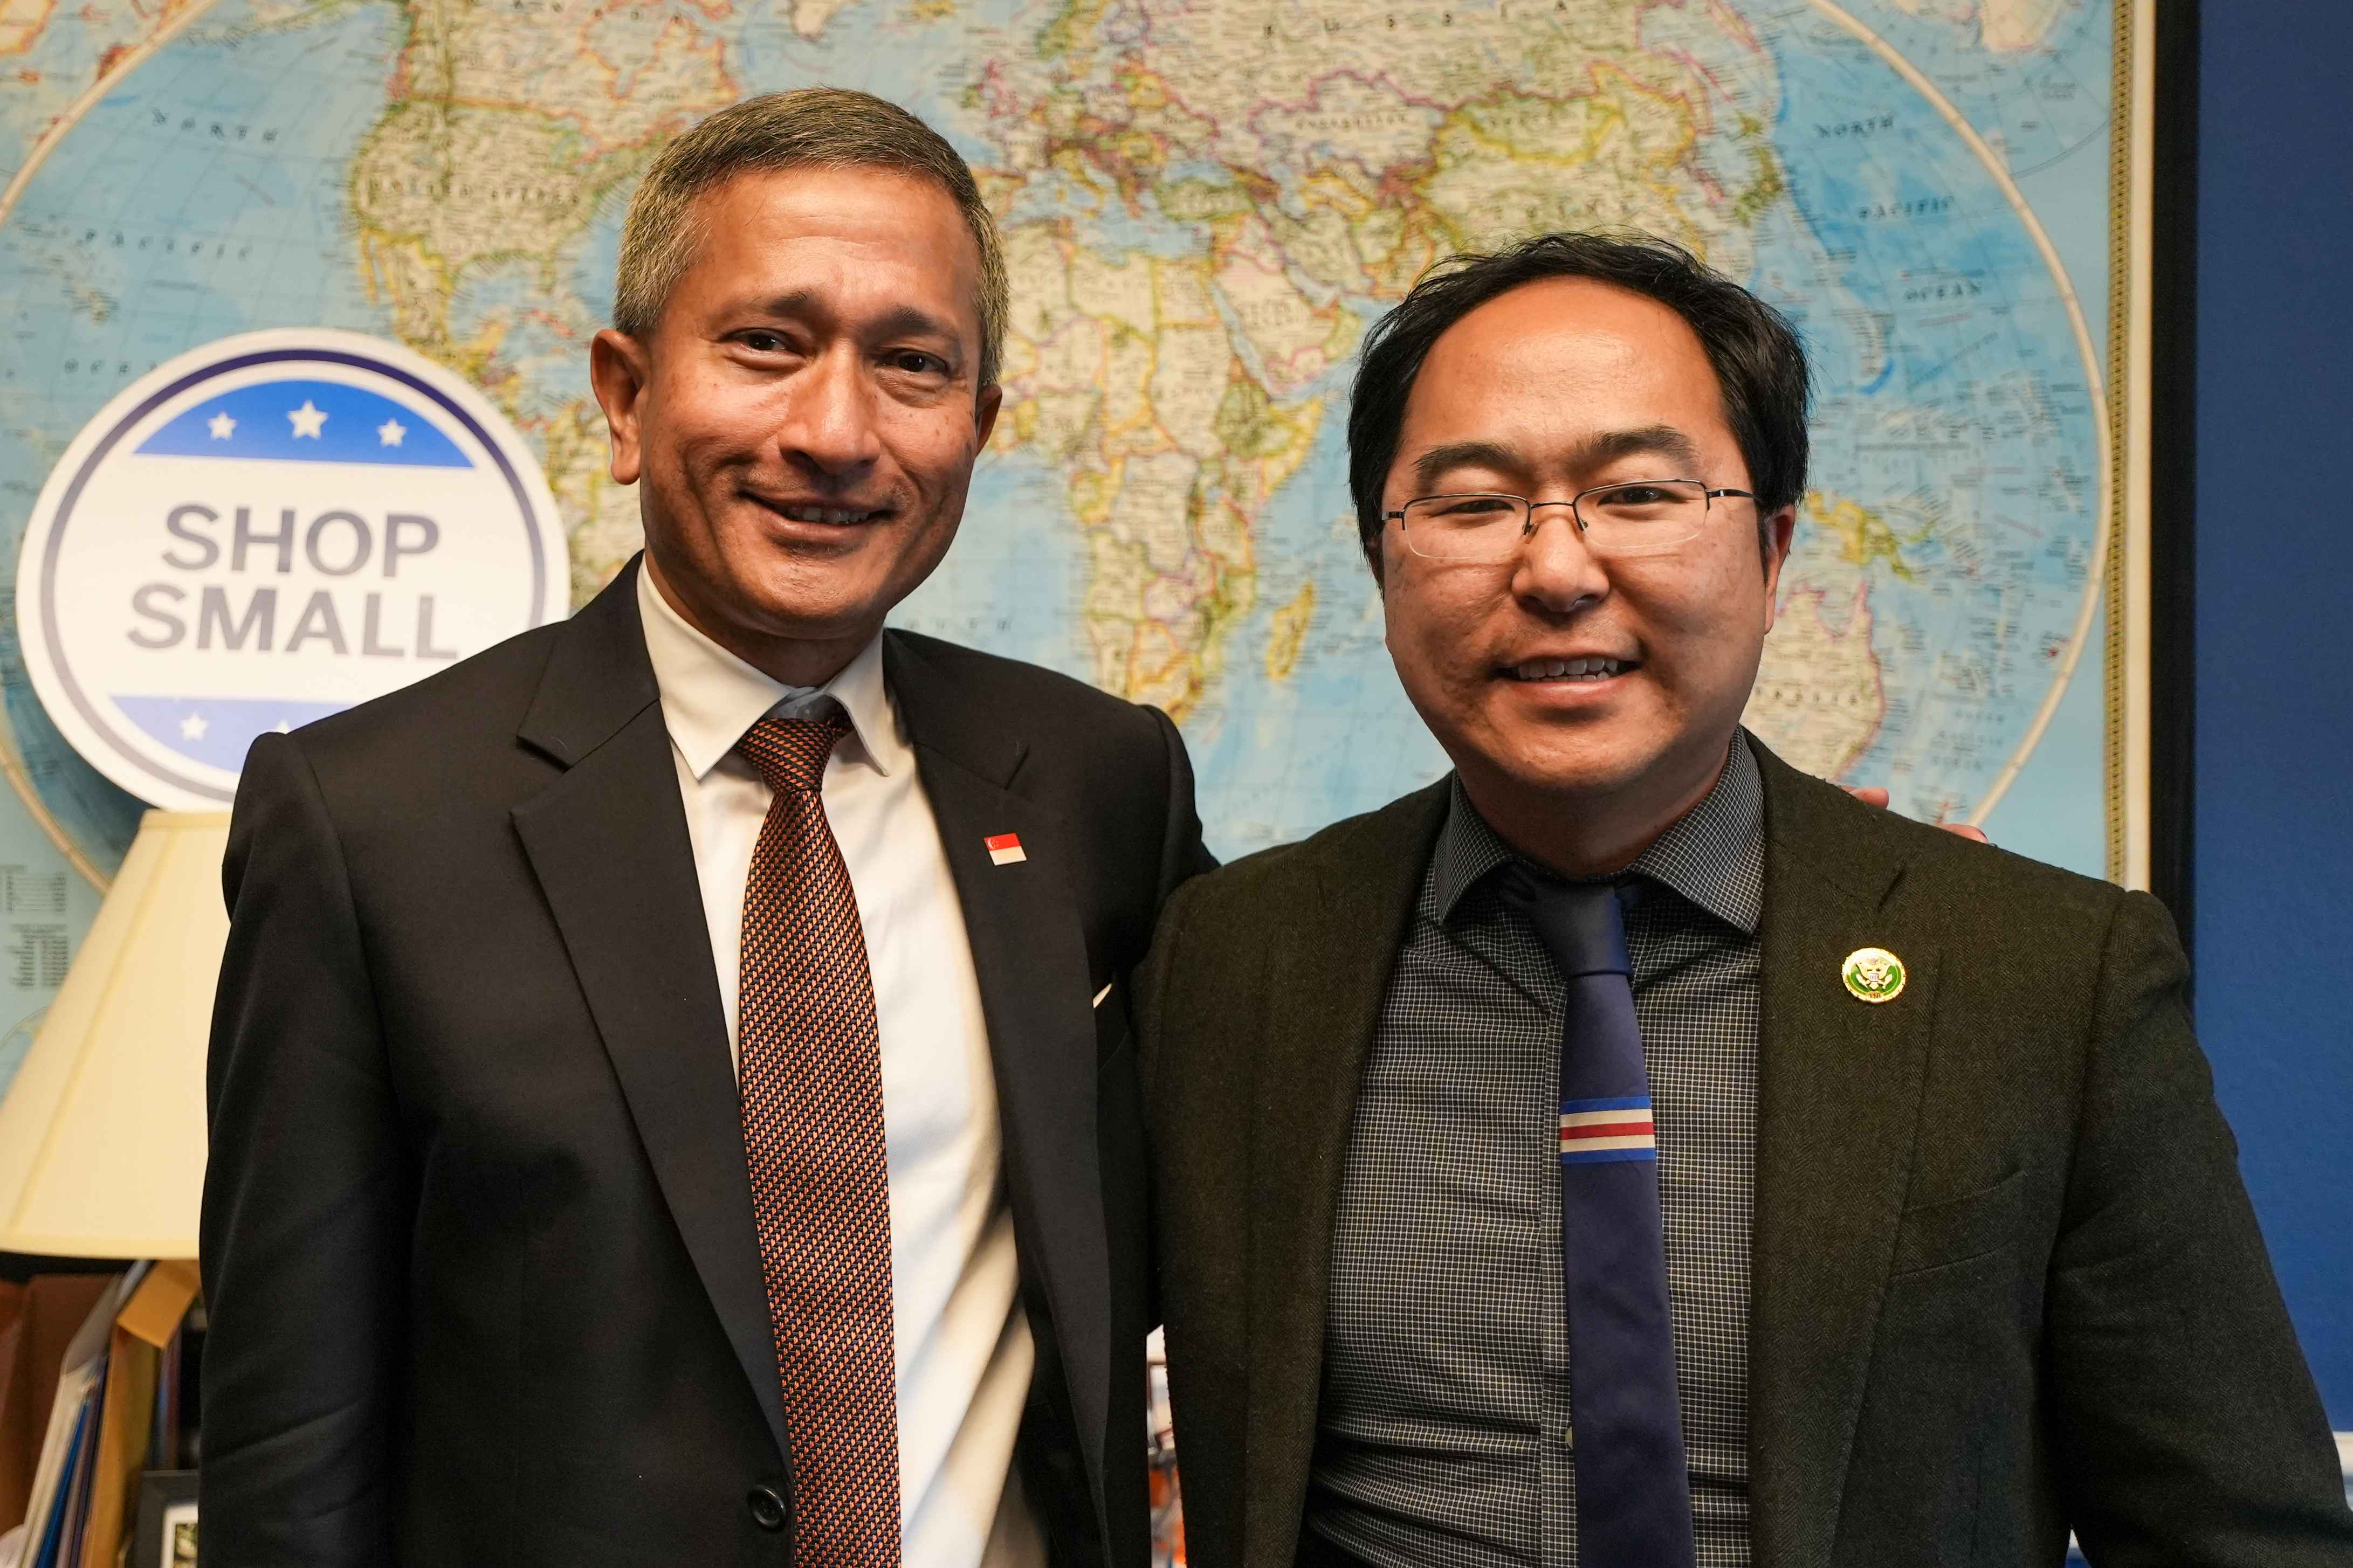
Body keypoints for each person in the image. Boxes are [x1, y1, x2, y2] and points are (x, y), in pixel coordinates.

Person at [1137, 232, 2353, 1567]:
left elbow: (2237, 1534)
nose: (1555, 569)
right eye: (1474, 504)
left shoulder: (2042, 978)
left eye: (1640, 494)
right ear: (1383, 565)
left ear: (1771, 554)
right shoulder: (1231, 960)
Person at [199, 89, 1208, 1567]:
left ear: (978, 429)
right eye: (767, 344)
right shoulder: (369, 821)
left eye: (912, 365)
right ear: (625, 392)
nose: (835, 431)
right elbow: (290, 1449)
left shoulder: (1094, 782)